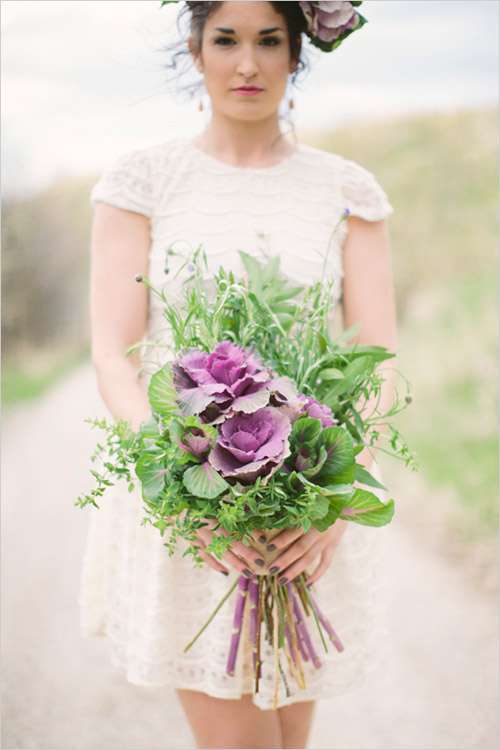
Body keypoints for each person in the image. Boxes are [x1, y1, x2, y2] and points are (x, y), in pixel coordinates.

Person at [79, 2, 398, 748]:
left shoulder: (349, 191)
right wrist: (177, 490)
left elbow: (379, 356)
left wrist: (339, 498)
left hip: (304, 510)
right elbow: (113, 355)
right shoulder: (143, 181)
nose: (247, 64)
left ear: (297, 54)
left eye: (269, 41)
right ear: (196, 50)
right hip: (193, 511)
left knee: (288, 740)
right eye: (226, 40)